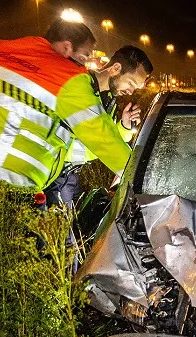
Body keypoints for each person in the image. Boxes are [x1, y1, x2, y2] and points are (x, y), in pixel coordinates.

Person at [0, 18, 133, 285]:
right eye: (84, 56)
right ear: (67, 47)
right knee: (33, 270)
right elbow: (104, 140)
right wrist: (140, 177)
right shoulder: (67, 76)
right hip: (2, 184)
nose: (86, 64)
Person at [43, 45, 152, 274]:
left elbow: (103, 141)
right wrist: (136, 173)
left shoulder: (107, 98)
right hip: (55, 176)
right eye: (131, 83)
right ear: (115, 68)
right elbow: (98, 144)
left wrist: (123, 127)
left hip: (71, 177)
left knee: (73, 240)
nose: (132, 91)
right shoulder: (82, 90)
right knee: (63, 248)